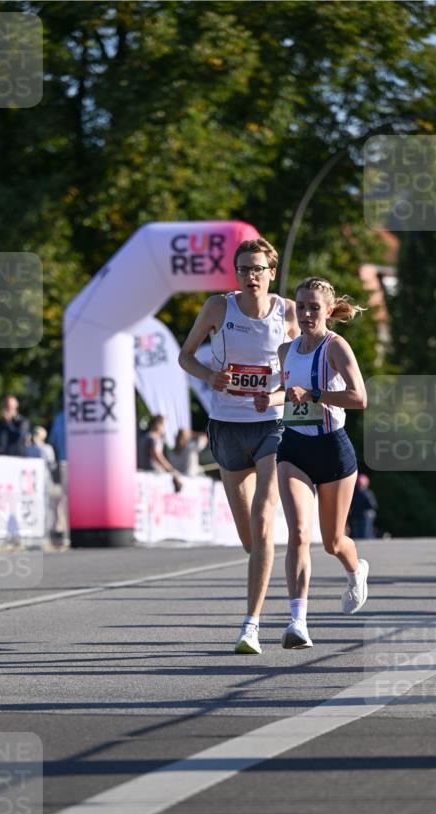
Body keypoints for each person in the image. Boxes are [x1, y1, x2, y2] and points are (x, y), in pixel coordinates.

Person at [178, 237, 300, 654]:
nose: (250, 276)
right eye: (243, 269)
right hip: (226, 426)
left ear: (271, 272)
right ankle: (262, 572)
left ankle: (251, 625)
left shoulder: (286, 312)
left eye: (257, 269)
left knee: (264, 521)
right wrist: (208, 377)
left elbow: (297, 371)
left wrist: (280, 395)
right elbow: (186, 357)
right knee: (250, 539)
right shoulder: (218, 308)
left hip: (270, 424)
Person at [267, 276, 369, 649]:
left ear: (328, 311)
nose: (307, 314)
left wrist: (314, 393)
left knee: (332, 541)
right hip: (294, 447)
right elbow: (287, 394)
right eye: (302, 306)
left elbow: (360, 398)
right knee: (297, 534)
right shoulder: (285, 350)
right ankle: (298, 622)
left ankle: (356, 571)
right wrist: (270, 400)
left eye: (314, 307)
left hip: (332, 451)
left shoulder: (336, 347)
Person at [138, 415, 182, 491]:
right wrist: (171, 469)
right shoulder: (154, 438)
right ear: (157, 425)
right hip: (153, 475)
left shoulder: (143, 437)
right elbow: (157, 455)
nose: (163, 428)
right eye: (163, 425)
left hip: (142, 474)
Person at [349, 473, 378, 539]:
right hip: (365, 516)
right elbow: (373, 505)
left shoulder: (351, 493)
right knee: (365, 535)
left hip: (354, 515)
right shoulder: (367, 493)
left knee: (356, 535)